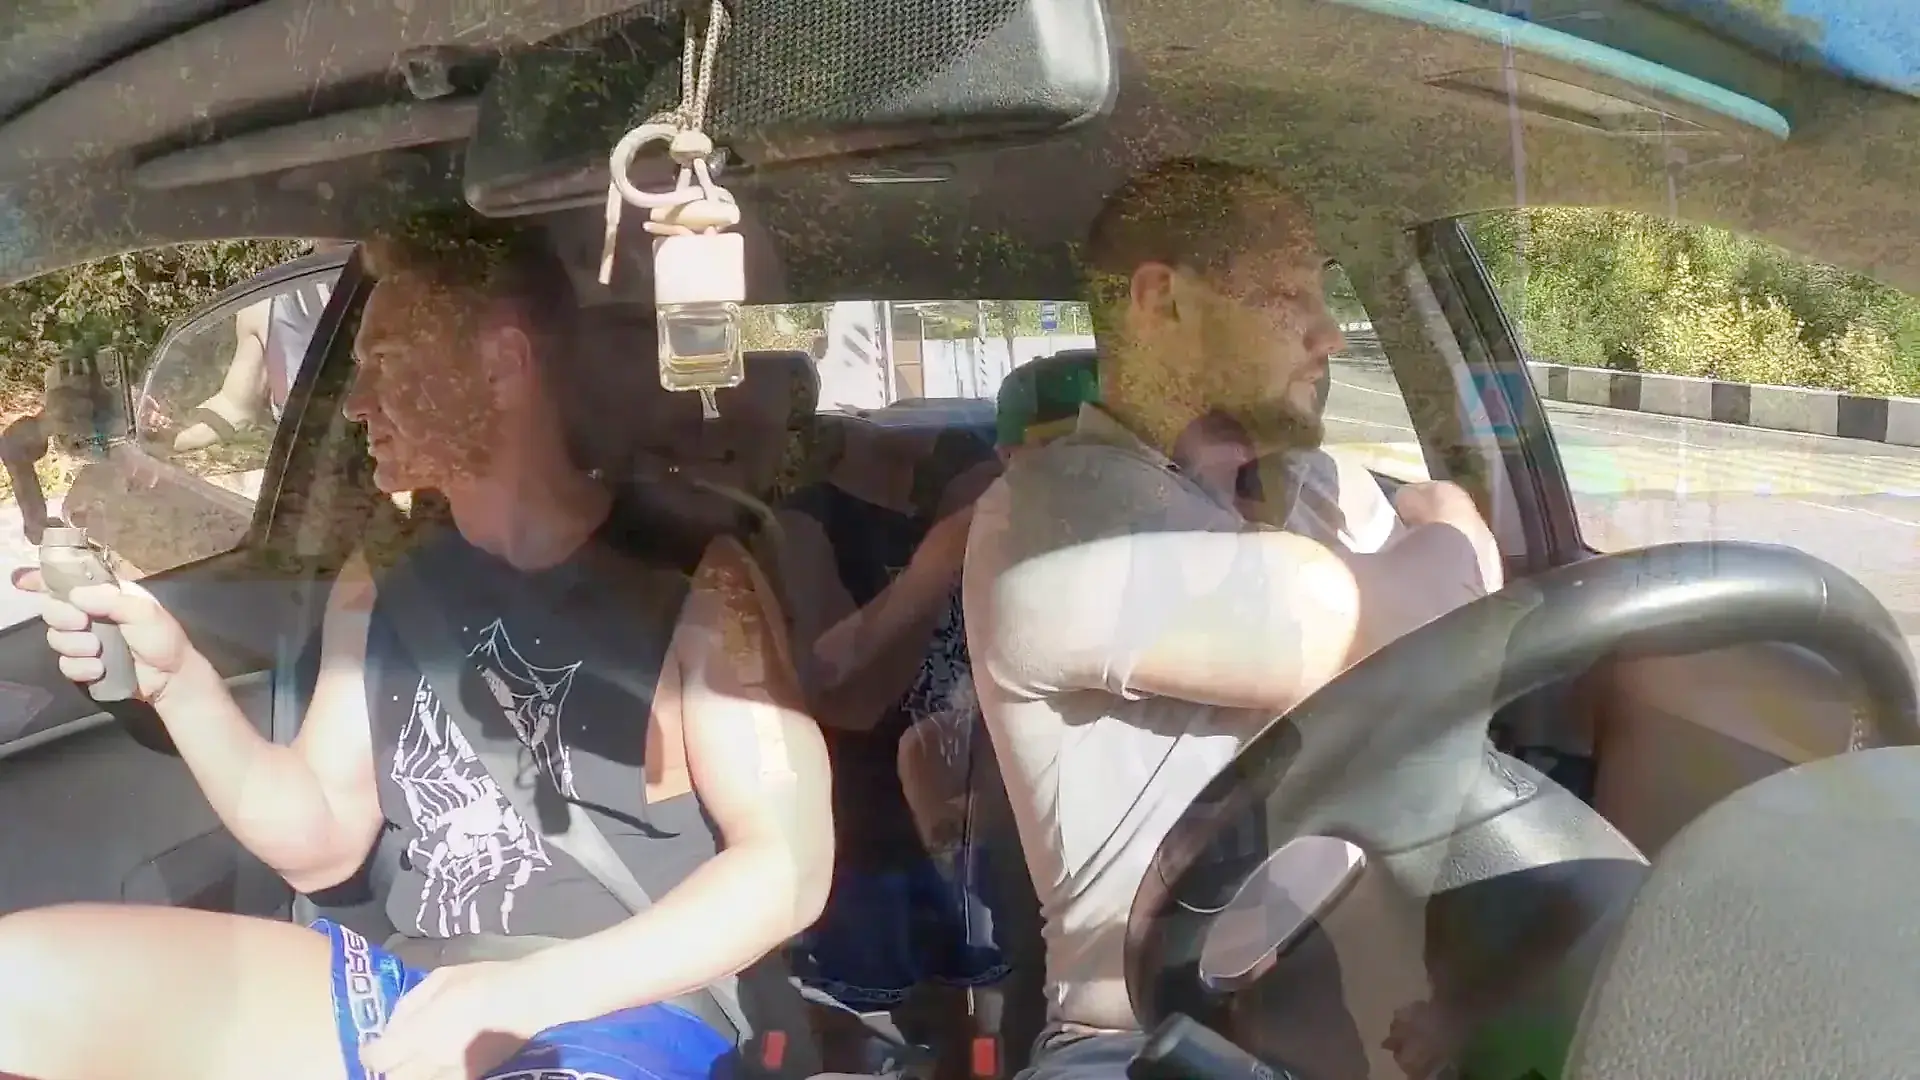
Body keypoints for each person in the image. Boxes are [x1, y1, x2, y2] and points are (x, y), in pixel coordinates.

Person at [0, 218, 834, 1080]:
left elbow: (789, 867)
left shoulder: (693, 577)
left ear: (503, 364)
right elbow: (323, 839)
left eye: (387, 364)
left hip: (626, 1000)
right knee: (14, 982)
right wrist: (178, 682)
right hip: (413, 985)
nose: (355, 402)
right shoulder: (387, 573)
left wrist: (523, 997)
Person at [961, 158, 1506, 1080]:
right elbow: (1336, 621)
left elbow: (1439, 621)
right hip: (1147, 1044)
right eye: (1289, 296)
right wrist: (1456, 526)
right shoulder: (1050, 513)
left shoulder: (1315, 482)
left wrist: (1449, 566)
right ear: (1162, 300)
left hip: (1370, 1022)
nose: (1330, 333)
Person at [772, 414, 1009, 1057]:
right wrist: (942, 556)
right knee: (870, 1038)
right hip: (868, 836)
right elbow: (845, 699)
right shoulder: (811, 522)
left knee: (981, 1031)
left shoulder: (954, 510)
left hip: (967, 831)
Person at [164, 240, 349, 453]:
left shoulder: (384, 291)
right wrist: (166, 436)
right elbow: (234, 407)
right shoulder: (267, 305)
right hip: (311, 467)